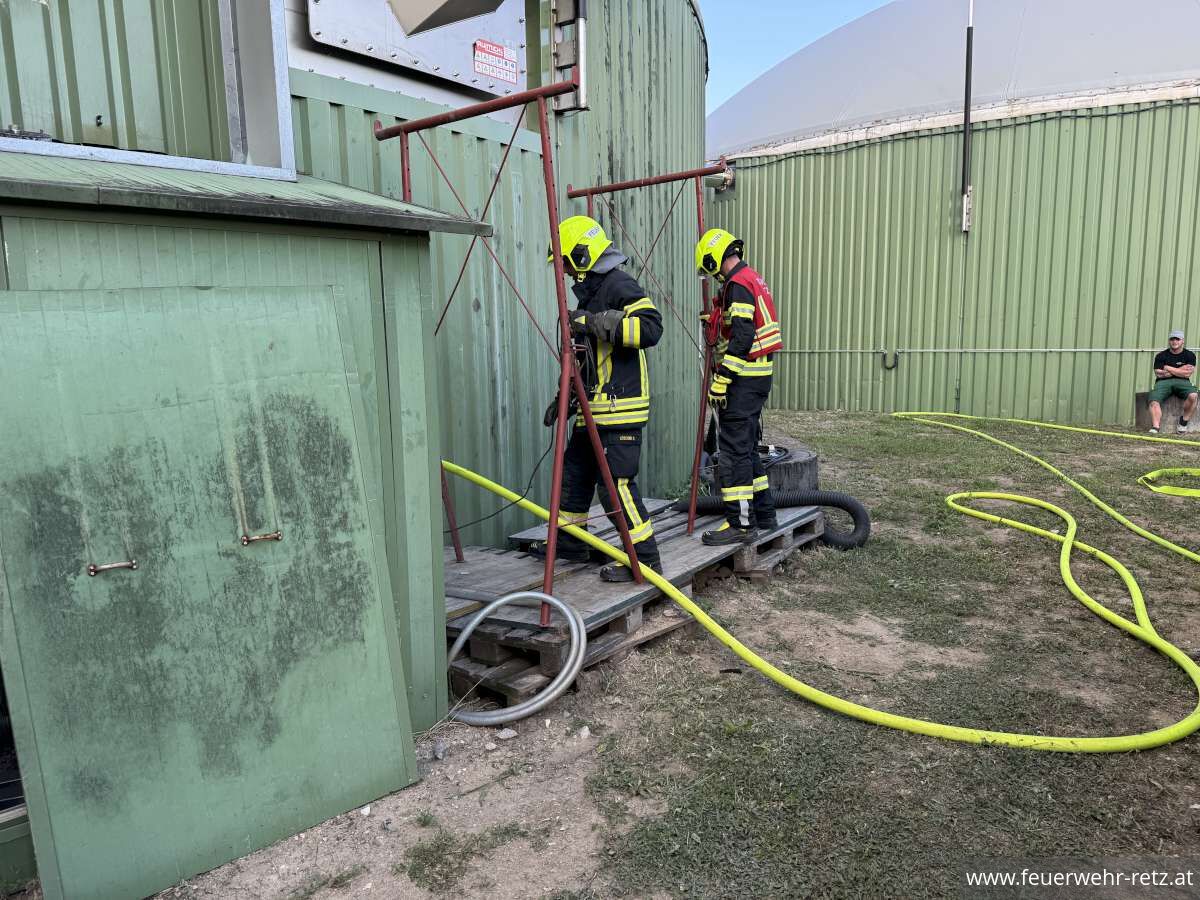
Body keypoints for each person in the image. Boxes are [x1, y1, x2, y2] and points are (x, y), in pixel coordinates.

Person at [537, 215, 664, 581]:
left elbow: (651, 327)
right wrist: (567, 396)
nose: (562, 273)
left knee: (616, 487)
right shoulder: (592, 293)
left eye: (564, 263)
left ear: (580, 256)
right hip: (593, 409)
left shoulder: (617, 284)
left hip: (619, 409)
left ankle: (646, 560)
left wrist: (593, 323)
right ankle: (571, 542)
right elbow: (589, 359)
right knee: (574, 476)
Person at [694, 228, 784, 545]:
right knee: (746, 448)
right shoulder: (750, 279)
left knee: (732, 453)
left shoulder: (737, 285)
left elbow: (743, 337)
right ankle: (765, 514)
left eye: (711, 268)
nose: (714, 275)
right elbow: (742, 326)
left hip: (744, 378)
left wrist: (722, 379)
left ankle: (741, 525)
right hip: (757, 376)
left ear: (714, 257)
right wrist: (716, 317)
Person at [1148, 329, 1198, 434]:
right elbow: (1159, 374)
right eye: (1172, 339)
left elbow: (1187, 374)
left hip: (1183, 382)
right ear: (1169, 341)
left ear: (1182, 341)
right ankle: (1155, 427)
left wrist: (1167, 367)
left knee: (1194, 395)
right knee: (1153, 400)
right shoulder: (1161, 356)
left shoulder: (1190, 355)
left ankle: (1183, 422)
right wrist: (1180, 369)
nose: (1174, 341)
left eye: (1177, 339)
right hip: (1163, 382)